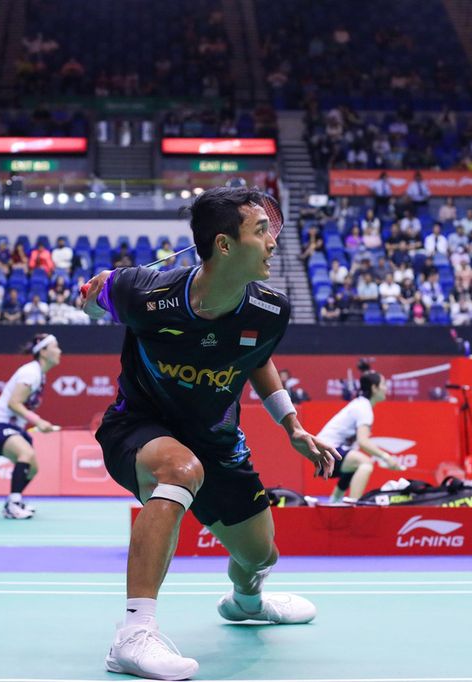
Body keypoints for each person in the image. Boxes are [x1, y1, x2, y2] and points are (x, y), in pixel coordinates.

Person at [80, 186, 338, 680]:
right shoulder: (143, 291)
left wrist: (293, 425)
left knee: (260, 553)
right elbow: (95, 303)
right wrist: (92, 299)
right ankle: (133, 634)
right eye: (261, 231)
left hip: (218, 443)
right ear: (224, 245)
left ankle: (245, 603)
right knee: (178, 469)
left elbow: (256, 359)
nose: (272, 243)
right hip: (139, 427)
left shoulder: (270, 310)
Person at [0, 333, 62, 519]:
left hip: (12, 427)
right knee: (25, 454)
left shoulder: (40, 375)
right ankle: (14, 504)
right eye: (55, 346)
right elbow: (13, 403)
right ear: (43, 351)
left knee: (32, 468)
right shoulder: (31, 372)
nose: (60, 351)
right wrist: (39, 421)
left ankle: (13, 500)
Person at [316, 372, 406, 504]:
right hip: (324, 452)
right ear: (374, 388)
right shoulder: (364, 408)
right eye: (383, 384)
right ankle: (354, 506)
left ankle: (334, 502)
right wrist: (386, 457)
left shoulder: (360, 405)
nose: (386, 388)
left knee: (354, 466)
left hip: (322, 452)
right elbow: (363, 442)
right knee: (365, 463)